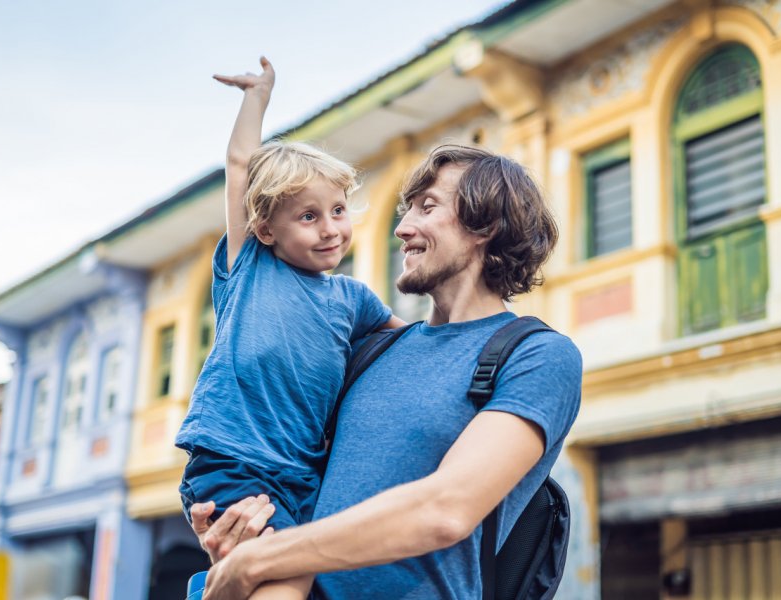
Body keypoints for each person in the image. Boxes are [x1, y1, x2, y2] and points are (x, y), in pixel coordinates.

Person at [194, 144, 584, 599]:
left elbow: (447, 509)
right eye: (406, 210)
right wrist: (241, 533)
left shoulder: (537, 355)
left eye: (427, 207)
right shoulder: (371, 351)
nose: (402, 228)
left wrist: (262, 558)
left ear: (487, 225)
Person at [174, 57, 404, 599]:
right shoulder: (251, 266)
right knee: (286, 582)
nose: (331, 230)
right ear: (264, 228)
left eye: (339, 211)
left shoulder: (354, 300)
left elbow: (417, 344)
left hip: (303, 477)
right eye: (308, 217)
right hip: (236, 462)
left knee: (281, 581)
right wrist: (258, 97)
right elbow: (239, 164)